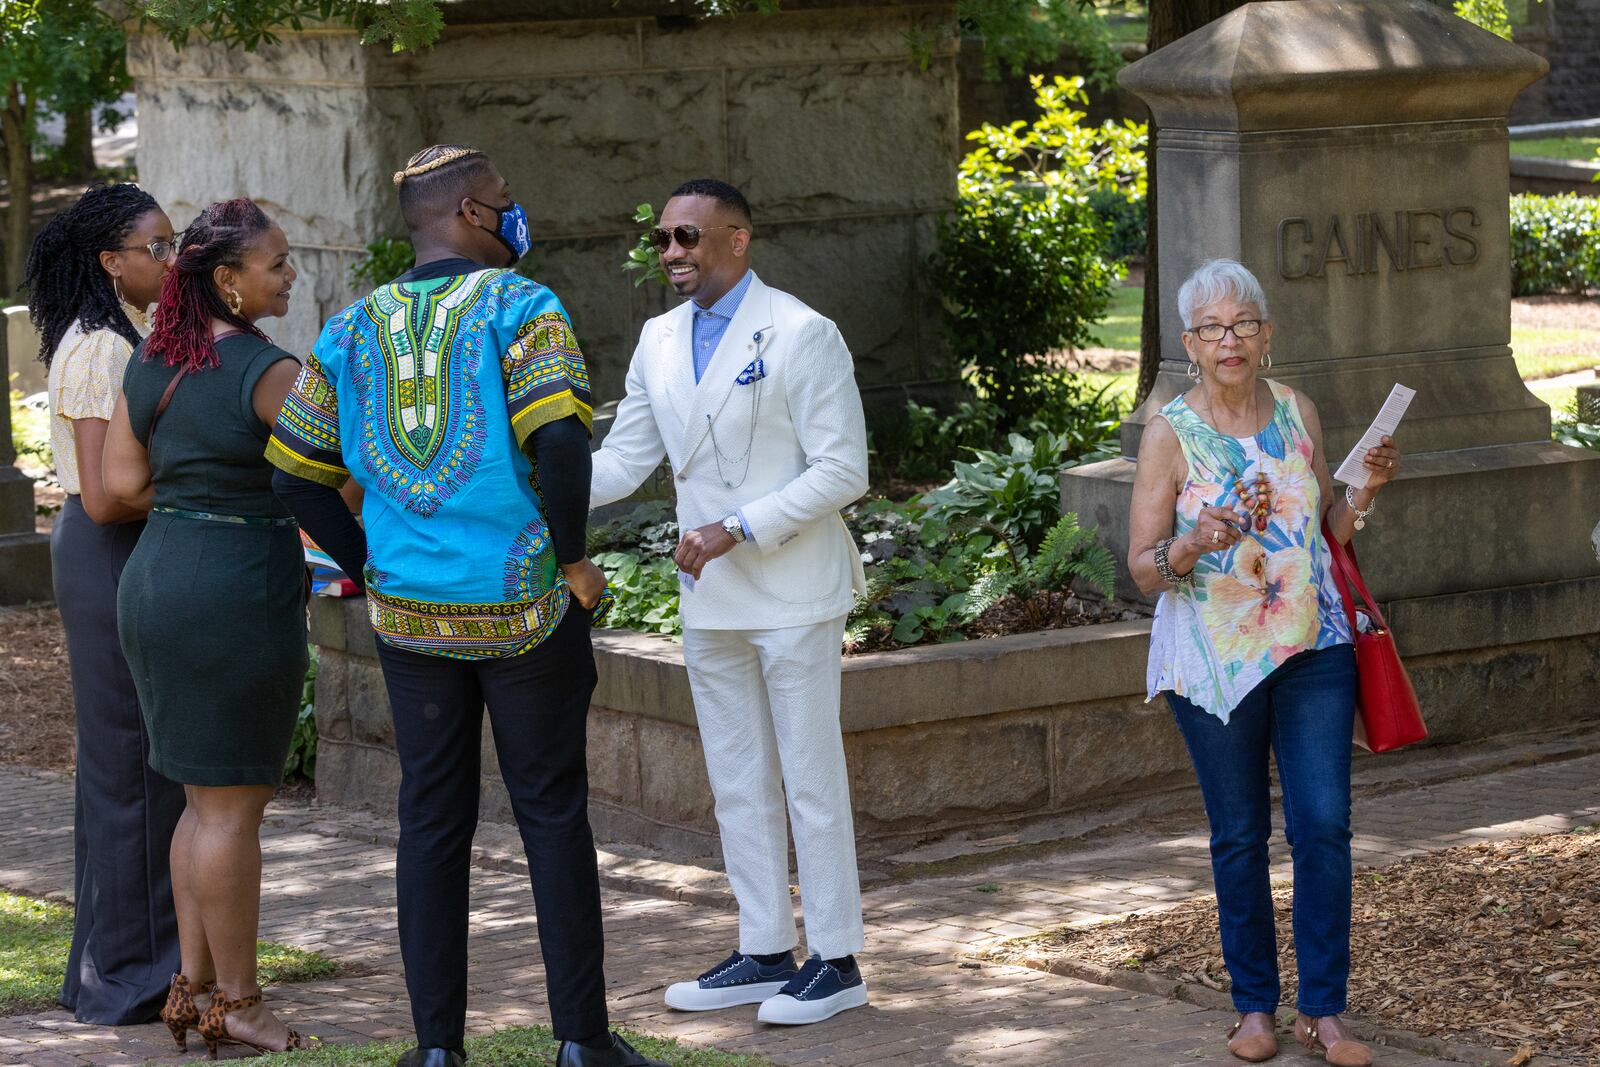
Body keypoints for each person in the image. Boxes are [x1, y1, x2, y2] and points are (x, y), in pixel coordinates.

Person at [267, 144, 665, 1067]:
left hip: (411, 619)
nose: (514, 212)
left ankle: (438, 1052)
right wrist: (573, 561)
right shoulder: (523, 307)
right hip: (522, 600)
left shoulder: (354, 326)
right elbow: (562, 446)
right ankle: (580, 1044)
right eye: (505, 199)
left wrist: (372, 563)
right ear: (474, 215)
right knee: (552, 813)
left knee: (431, 819)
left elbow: (294, 473)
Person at [591, 178, 871, 1025]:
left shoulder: (802, 332)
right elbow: (625, 459)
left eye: (687, 237)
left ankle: (837, 956)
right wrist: (531, 489)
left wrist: (737, 526)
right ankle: (762, 947)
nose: (672, 253)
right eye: (665, 239)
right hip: (710, 598)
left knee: (810, 778)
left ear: (738, 239)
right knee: (738, 779)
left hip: (790, 589)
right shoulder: (656, 338)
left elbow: (843, 468)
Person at [1127, 259, 1401, 1067]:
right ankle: (1254, 1006)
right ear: (1190, 344)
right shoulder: (1169, 433)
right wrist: (1194, 540)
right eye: (1212, 328)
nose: (1230, 339)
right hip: (1216, 661)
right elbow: (1143, 568)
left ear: (1267, 333)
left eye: (1243, 323)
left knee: (1323, 824)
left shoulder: (1296, 410)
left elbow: (1329, 528)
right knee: (1240, 834)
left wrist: (1366, 489)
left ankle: (1325, 1011)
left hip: (1314, 646)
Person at [102, 198, 314, 1057]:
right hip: (235, 590)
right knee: (233, 810)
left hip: (156, 578)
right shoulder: (271, 371)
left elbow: (118, 479)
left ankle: (190, 992)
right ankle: (241, 999)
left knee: (200, 802)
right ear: (229, 280)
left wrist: (193, 496)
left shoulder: (153, 358)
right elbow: (331, 481)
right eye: (276, 262)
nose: (289, 272)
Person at [22, 183, 186, 1027]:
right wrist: (202, 486)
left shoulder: (128, 335)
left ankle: (118, 961)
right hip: (106, 550)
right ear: (108, 261)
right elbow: (103, 496)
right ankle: (131, 973)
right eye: (154, 246)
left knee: (139, 763)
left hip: (124, 551)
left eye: (173, 242)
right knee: (132, 767)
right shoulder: (95, 349)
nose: (170, 258)